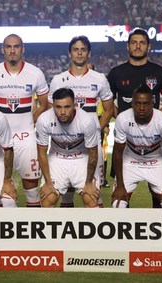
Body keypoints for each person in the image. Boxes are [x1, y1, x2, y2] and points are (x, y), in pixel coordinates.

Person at [107, 28, 162, 208]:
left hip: (153, 142)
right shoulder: (116, 73)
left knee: (158, 196)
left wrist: (156, 120)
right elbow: (107, 102)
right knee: (120, 196)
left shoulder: (159, 72)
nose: (138, 46)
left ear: (148, 46)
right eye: (134, 43)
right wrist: (123, 118)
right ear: (128, 46)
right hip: (126, 140)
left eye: (142, 43)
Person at [0, 34, 49, 207]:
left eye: (16, 46)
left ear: (23, 49)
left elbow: (44, 104)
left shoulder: (35, 73)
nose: (12, 50)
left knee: (32, 188)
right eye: (8, 47)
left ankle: (33, 230)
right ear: (2, 49)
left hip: (26, 139)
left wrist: (31, 120)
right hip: (0, 140)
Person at [49, 36, 113, 207]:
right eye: (75, 49)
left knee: (93, 193)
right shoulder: (58, 80)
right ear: (70, 54)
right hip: (64, 143)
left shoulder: (99, 78)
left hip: (90, 144)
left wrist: (96, 129)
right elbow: (50, 111)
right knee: (65, 191)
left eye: (83, 49)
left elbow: (109, 109)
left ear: (88, 53)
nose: (79, 53)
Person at [112, 85, 162, 209]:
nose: (141, 108)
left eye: (146, 104)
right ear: (132, 104)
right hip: (130, 162)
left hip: (156, 162)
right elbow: (118, 152)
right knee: (118, 204)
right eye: (138, 103)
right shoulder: (123, 118)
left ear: (153, 103)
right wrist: (120, 185)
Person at [36, 88, 100, 208]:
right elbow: (41, 153)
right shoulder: (44, 120)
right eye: (58, 107)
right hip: (57, 157)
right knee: (48, 199)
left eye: (67, 107)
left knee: (90, 199)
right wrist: (48, 183)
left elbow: (93, 154)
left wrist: (89, 183)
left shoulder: (86, 121)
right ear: (53, 106)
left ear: (74, 105)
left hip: (81, 158)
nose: (63, 112)